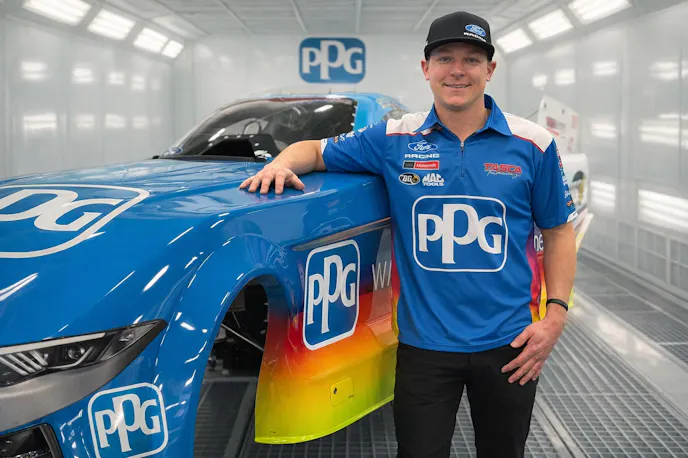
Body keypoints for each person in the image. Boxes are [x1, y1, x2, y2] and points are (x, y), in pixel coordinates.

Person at [240, 10, 577, 458]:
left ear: (490, 69)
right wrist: (281, 165)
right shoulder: (394, 138)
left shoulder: (533, 143)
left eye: (472, 59)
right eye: (445, 58)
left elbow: (558, 231)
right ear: (426, 68)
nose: (457, 70)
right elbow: (315, 151)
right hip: (424, 346)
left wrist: (555, 316)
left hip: (511, 344)